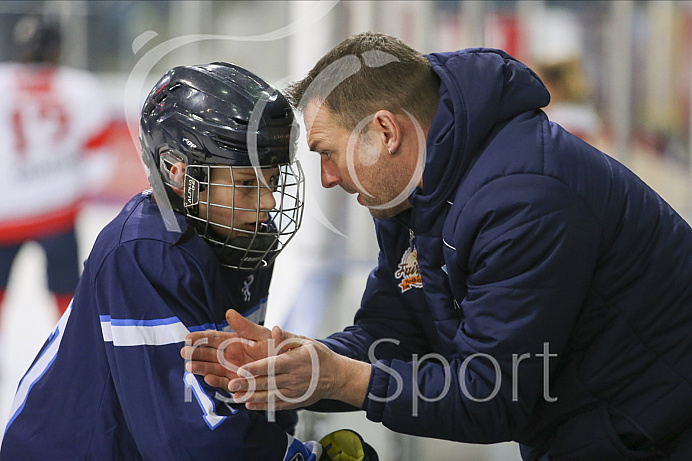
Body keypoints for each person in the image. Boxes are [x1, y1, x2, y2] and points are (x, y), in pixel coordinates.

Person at [183, 32, 692, 460]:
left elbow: (492, 392)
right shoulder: (412, 196)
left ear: (385, 132)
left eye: (328, 153)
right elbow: (393, 332)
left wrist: (341, 379)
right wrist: (311, 362)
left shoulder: (525, 199)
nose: (328, 177)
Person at [0, 62, 322, 460]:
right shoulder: (143, 253)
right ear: (176, 170)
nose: (269, 201)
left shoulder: (245, 235)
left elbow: (236, 387)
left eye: (272, 180)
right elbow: (187, 443)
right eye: (246, 183)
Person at [0, 15, 111, 317]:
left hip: (4, 216)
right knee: (66, 295)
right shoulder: (83, 88)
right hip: (58, 212)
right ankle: (70, 359)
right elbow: (99, 165)